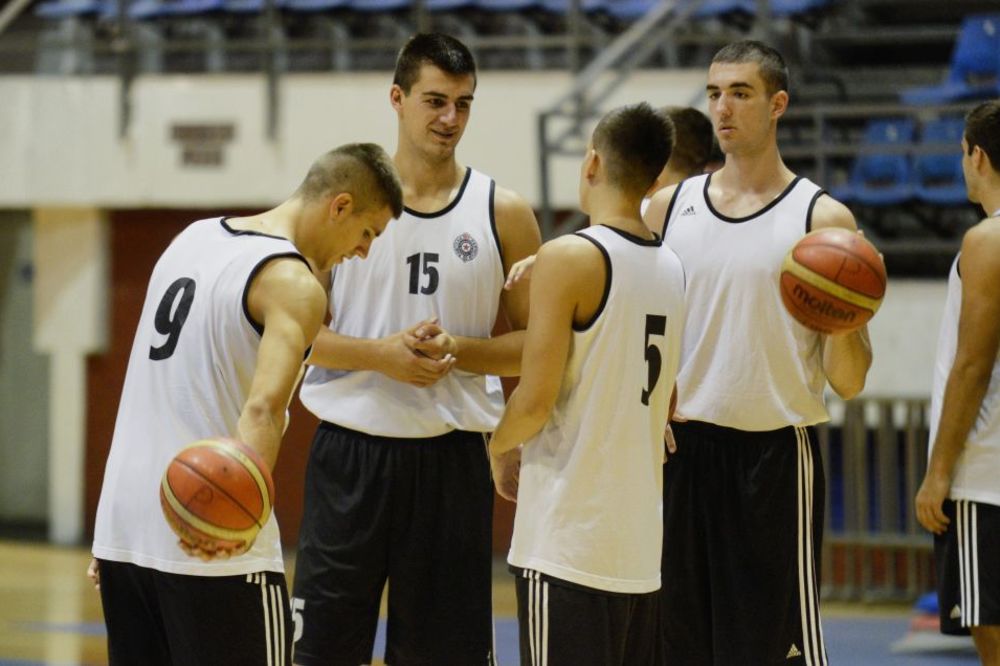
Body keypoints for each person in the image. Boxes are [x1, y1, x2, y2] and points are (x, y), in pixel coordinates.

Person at [89, 143, 403, 665]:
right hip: (208, 530)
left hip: (126, 526)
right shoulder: (296, 284)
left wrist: (114, 532)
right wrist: (233, 525)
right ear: (340, 206)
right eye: (368, 232)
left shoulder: (191, 239)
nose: (364, 251)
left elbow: (147, 384)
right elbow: (263, 411)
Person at [292, 33, 541, 666]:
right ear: (397, 99)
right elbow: (293, 333)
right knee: (321, 649)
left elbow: (537, 348)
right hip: (350, 457)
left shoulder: (503, 213)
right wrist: (381, 356)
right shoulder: (340, 206)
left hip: (452, 464)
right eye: (435, 101)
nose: (449, 119)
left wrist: (459, 350)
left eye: (463, 103)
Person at [643, 40, 874, 665]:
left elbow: (849, 381)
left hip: (773, 458)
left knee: (769, 651)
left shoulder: (822, 216)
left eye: (740, 93)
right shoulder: (667, 208)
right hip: (680, 456)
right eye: (715, 93)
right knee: (674, 644)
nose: (723, 107)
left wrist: (847, 317)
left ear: (778, 105)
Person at [490, 102, 684, 666]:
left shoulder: (570, 256)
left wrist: (497, 445)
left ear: (592, 162)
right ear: (653, 180)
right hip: (639, 549)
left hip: (569, 540)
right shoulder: (672, 265)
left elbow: (534, 398)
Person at [916, 99, 1000, 666]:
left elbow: (972, 365)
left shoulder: (988, 240)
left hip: (985, 471)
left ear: (977, 154)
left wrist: (939, 472)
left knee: (991, 634)